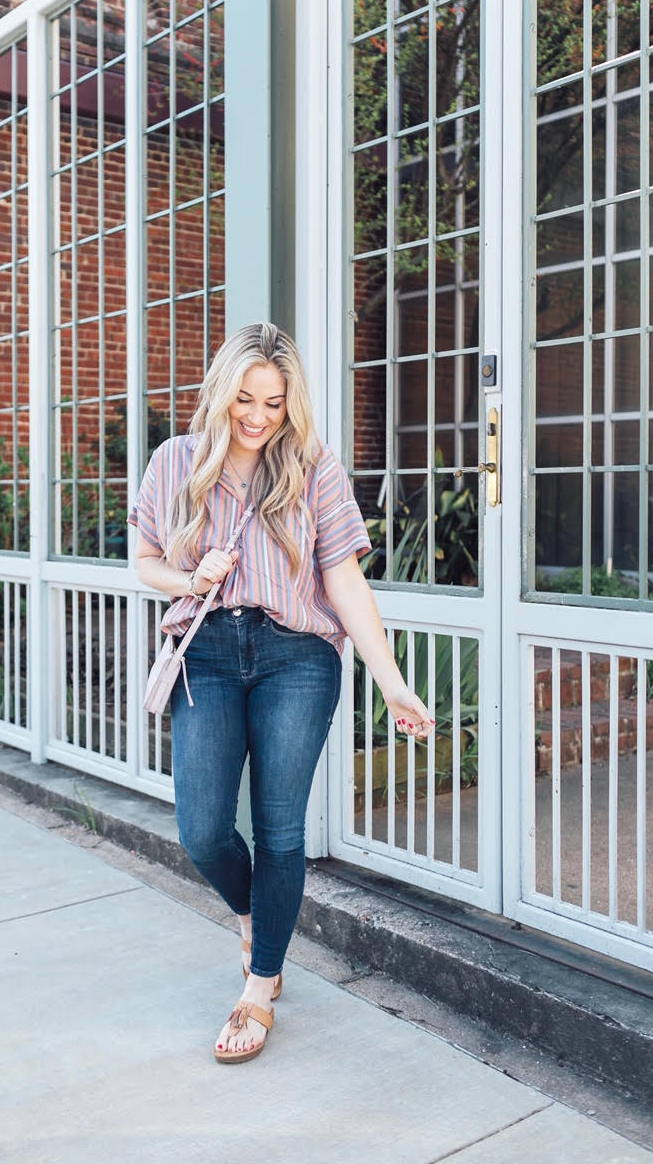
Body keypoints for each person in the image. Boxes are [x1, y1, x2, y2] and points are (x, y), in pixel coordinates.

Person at [129, 322, 434, 1064]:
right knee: (202, 828)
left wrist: (391, 684)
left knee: (280, 828)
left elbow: (344, 580)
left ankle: (260, 987)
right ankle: (252, 914)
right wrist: (188, 579)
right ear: (221, 392)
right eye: (244, 399)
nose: (258, 417)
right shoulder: (175, 463)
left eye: (273, 402)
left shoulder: (313, 469)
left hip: (296, 655)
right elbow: (141, 559)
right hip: (205, 650)